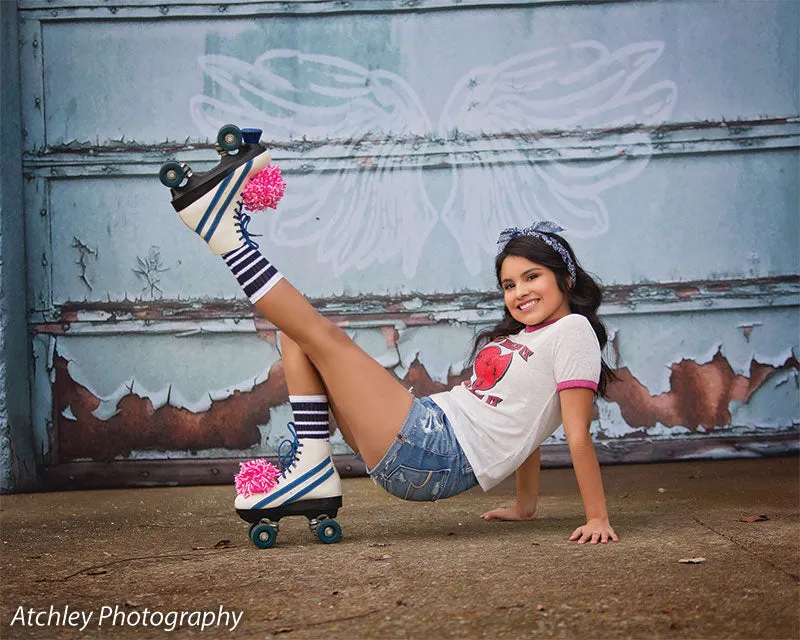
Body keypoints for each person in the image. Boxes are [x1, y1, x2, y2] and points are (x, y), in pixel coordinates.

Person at [163, 131, 618, 545]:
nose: (518, 293)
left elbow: (577, 433)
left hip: (434, 450)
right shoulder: (531, 337)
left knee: (319, 334)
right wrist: (525, 507)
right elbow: (529, 425)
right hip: (425, 429)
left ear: (565, 278)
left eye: (531, 277)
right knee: (300, 339)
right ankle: (312, 466)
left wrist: (597, 517)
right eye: (508, 285)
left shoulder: (573, 331)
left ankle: (225, 237)